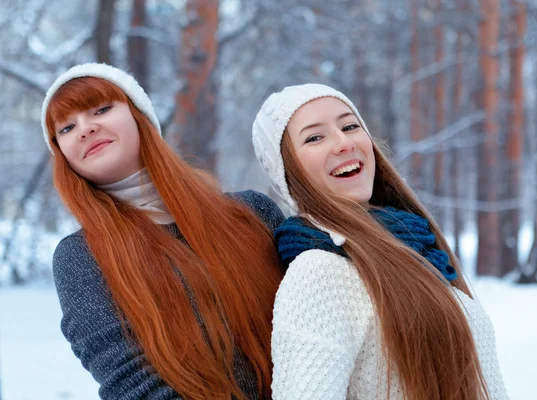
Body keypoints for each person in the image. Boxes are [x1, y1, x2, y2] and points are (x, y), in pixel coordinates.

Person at [41, 63, 284, 400]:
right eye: (66, 128)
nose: (85, 128)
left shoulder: (252, 213)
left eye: (101, 109)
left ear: (139, 116)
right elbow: (133, 385)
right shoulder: (81, 256)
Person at [252, 84, 509, 400]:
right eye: (315, 137)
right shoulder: (320, 272)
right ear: (286, 170)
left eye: (349, 126)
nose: (344, 143)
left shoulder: (419, 246)